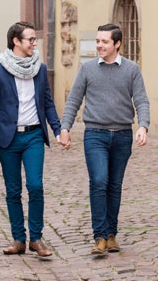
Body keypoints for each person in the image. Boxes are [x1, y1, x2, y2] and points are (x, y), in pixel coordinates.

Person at [59, 23, 150, 256]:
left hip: (122, 135)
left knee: (114, 185)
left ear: (117, 44)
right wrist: (65, 128)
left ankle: (111, 234)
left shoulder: (131, 69)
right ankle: (99, 236)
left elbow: (141, 100)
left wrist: (143, 126)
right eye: (98, 41)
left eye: (104, 42)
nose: (99, 45)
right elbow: (73, 100)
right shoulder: (87, 69)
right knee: (99, 181)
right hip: (95, 135)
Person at [0, 22, 63, 257]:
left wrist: (58, 130)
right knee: (13, 190)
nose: (34, 43)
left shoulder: (39, 69)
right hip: (8, 138)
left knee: (35, 186)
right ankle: (19, 239)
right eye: (30, 39)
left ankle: (36, 238)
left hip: (34, 136)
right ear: (16, 42)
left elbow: (47, 102)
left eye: (34, 39)